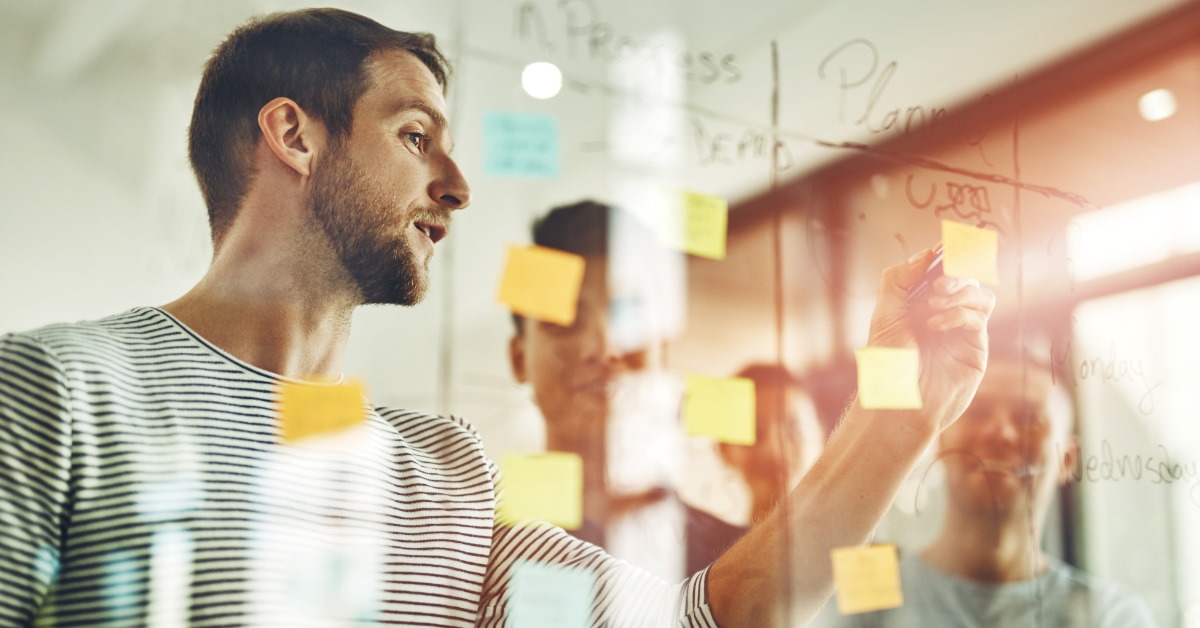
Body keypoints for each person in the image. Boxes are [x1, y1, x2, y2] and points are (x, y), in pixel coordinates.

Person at [0, 7, 995, 627]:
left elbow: (708, 619)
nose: (459, 186)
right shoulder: (57, 391)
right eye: (416, 134)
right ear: (292, 135)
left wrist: (897, 412)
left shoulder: (448, 468)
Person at [814, 348, 1158, 627]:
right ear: (941, 438)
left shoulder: (1110, 617)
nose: (1000, 433)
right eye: (976, 412)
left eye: (1027, 418)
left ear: (1066, 461)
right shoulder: (862, 596)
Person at [507, 200, 746, 580]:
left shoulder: (739, 564)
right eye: (564, 321)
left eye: (629, 316)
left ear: (662, 348)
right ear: (520, 359)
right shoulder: (477, 559)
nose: (603, 348)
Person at [717, 363, 826, 528]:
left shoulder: (860, 543)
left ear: (822, 436)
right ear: (724, 450)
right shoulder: (709, 551)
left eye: (793, 431)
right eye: (753, 433)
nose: (773, 450)